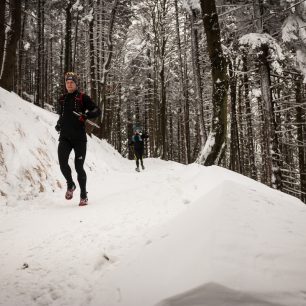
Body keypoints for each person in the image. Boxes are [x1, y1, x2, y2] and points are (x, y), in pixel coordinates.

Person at [55, 72, 101, 206]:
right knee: (62, 163)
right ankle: (70, 184)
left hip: (79, 138)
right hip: (64, 137)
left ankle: (83, 195)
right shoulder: (62, 99)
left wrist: (86, 115)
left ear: (76, 84)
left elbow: (97, 110)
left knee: (78, 166)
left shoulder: (82, 97)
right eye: (67, 82)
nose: (69, 84)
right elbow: (63, 115)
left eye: (71, 82)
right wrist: (59, 124)